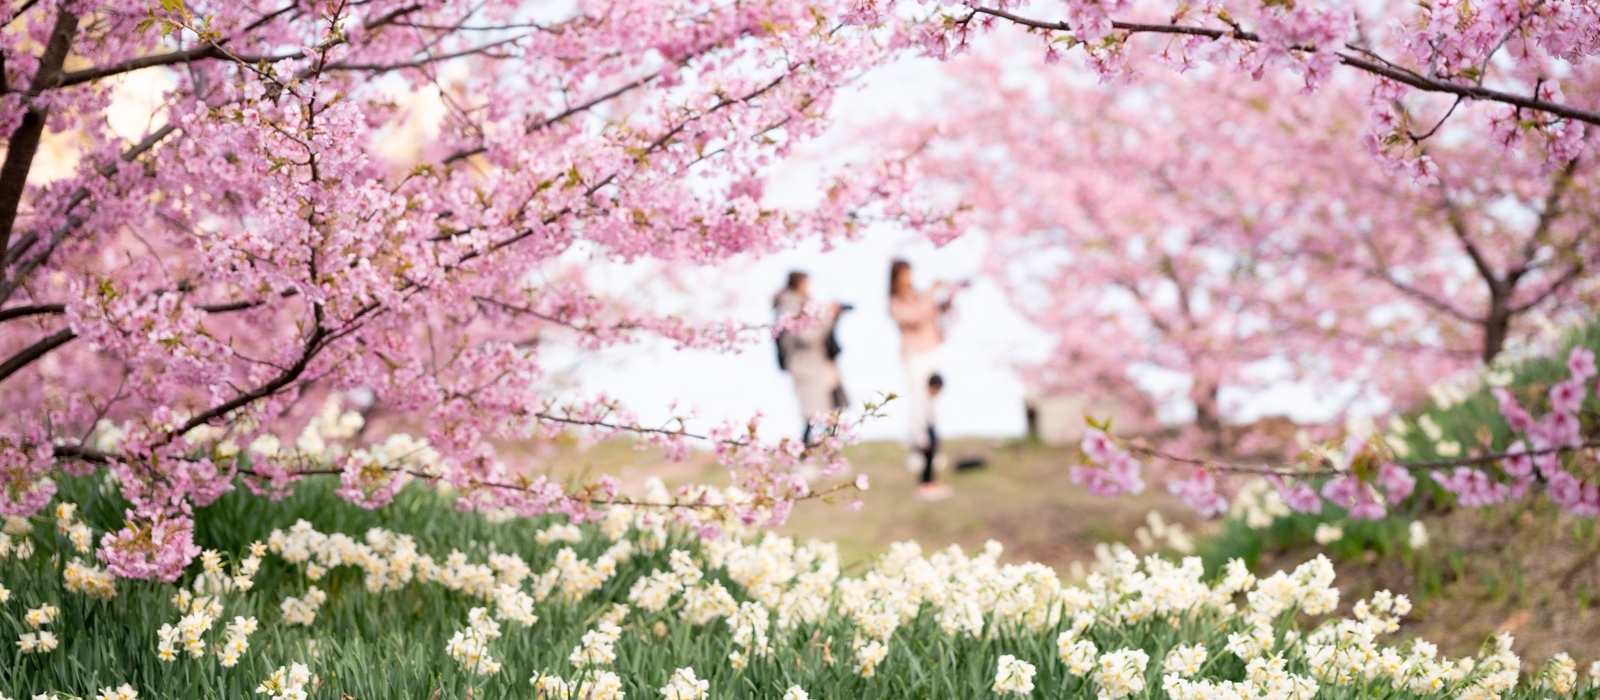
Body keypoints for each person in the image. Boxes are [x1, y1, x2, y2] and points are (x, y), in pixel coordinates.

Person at [888, 259, 961, 500]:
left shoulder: (920, 295)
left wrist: (949, 297)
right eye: (905, 273)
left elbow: (934, 312)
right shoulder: (896, 302)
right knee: (918, 402)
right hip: (914, 354)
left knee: (934, 402)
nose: (909, 278)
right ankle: (918, 449)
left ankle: (931, 450)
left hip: (933, 349)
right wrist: (931, 293)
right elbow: (916, 318)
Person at [774, 271, 846, 445]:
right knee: (813, 413)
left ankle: (829, 451)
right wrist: (828, 316)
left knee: (826, 410)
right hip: (806, 366)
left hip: (818, 364)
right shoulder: (791, 306)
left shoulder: (803, 305)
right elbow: (807, 336)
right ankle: (807, 454)